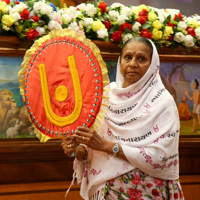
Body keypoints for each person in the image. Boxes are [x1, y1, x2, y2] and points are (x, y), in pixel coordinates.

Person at [61, 37, 184, 200]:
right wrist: (80, 150)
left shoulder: (162, 102)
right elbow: (94, 145)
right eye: (128, 57)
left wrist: (105, 145)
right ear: (120, 61)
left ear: (153, 65)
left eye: (141, 59)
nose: (133, 63)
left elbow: (159, 156)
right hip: (106, 192)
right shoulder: (104, 97)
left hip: (146, 191)